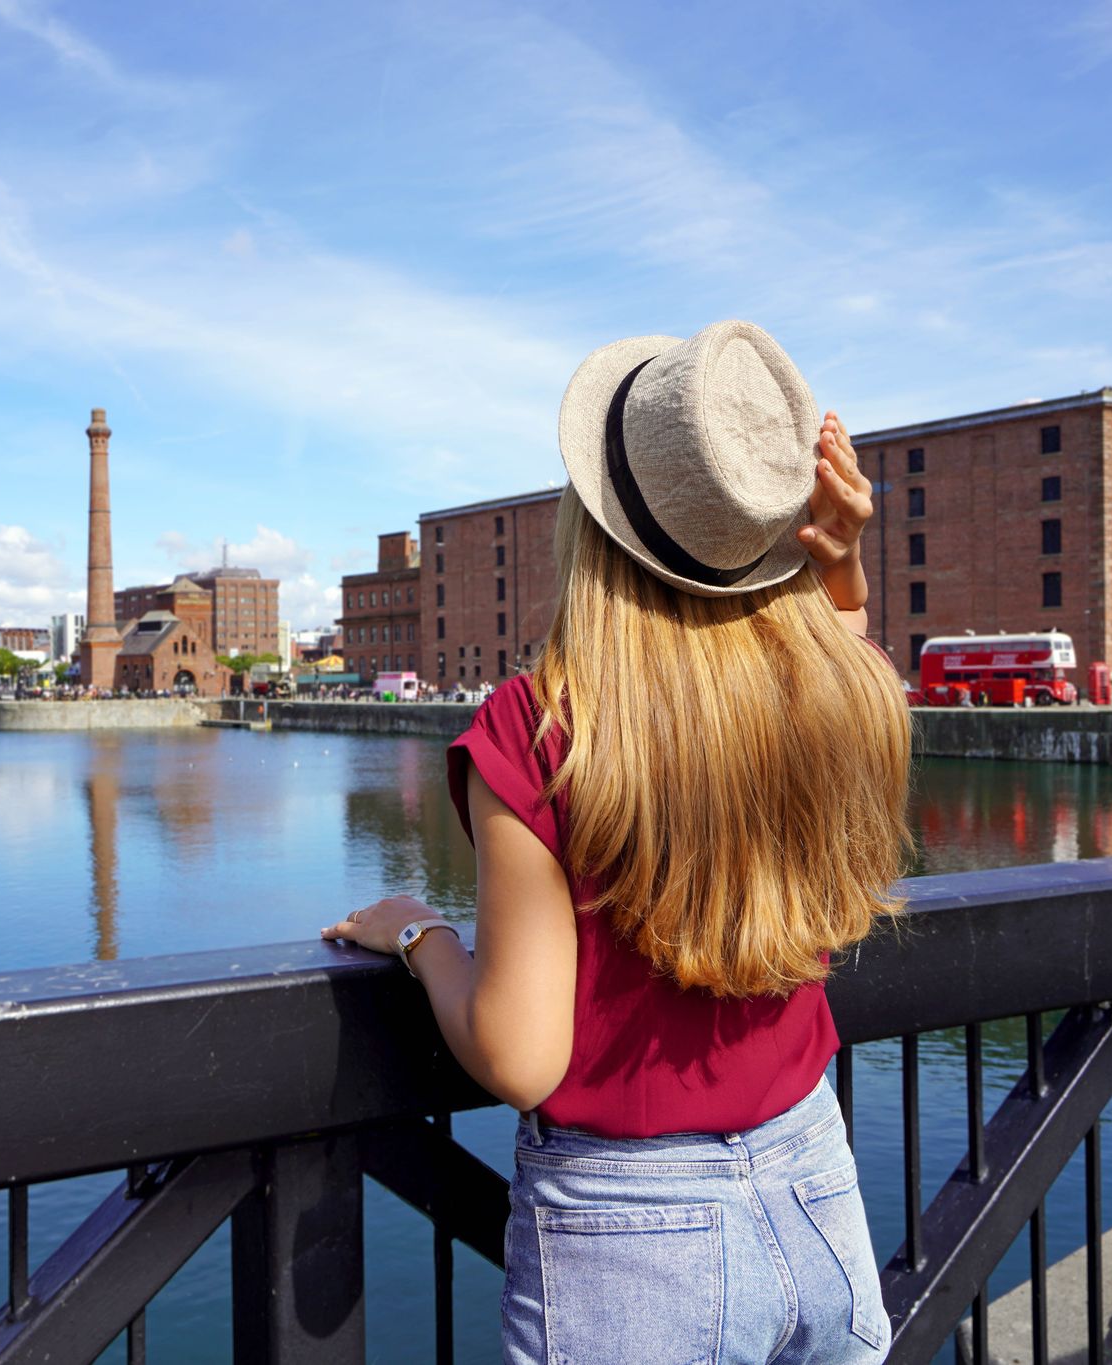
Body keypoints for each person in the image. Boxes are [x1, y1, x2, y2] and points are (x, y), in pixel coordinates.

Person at [322, 322, 907, 1361]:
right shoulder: (837, 696)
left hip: (628, 1230)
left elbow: (518, 1052)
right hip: (815, 1178)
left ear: (588, 522)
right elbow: (845, 654)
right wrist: (841, 563)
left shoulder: (534, 727)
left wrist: (417, 934)